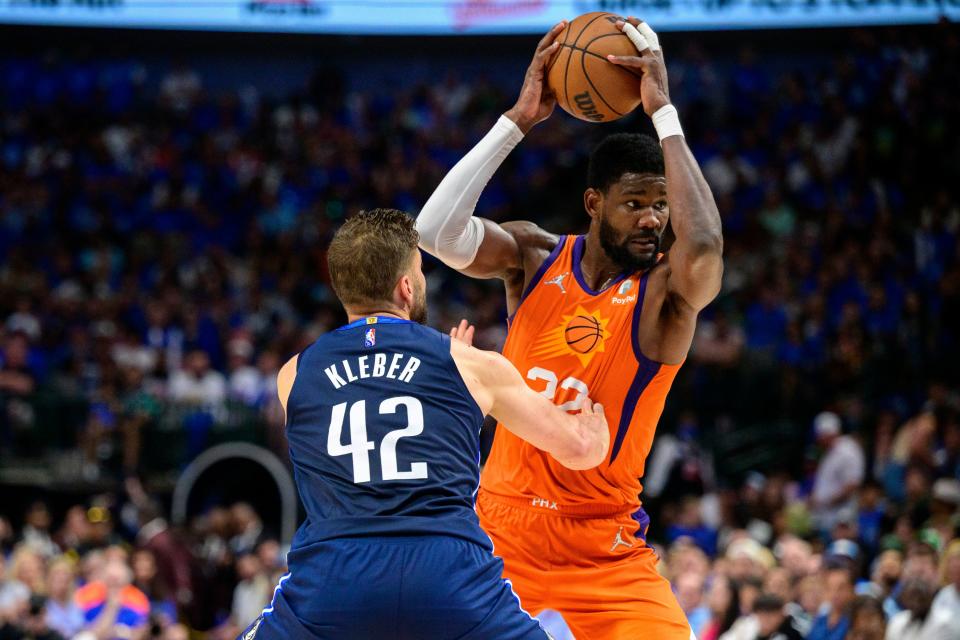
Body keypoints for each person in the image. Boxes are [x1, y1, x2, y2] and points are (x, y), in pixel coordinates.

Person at [416, 18, 722, 639]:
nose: (652, 219)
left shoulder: (664, 294)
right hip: (503, 530)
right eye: (635, 202)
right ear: (594, 204)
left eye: (660, 205)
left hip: (603, 541)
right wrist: (518, 121)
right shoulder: (534, 257)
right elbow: (434, 234)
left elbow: (707, 246)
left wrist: (665, 116)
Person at [240, 208, 609, 639]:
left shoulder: (293, 374)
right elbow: (579, 450)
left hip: (335, 577)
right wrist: (596, 431)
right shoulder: (470, 365)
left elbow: (373, 397)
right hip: (449, 576)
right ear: (406, 286)